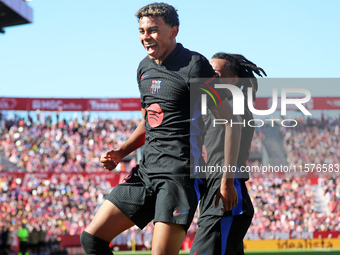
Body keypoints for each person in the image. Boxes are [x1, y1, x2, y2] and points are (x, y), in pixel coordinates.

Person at [80, 3, 239, 255]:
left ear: (173, 31)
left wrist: (227, 180)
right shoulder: (143, 67)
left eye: (153, 30)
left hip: (178, 177)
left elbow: (229, 121)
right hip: (145, 173)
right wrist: (122, 151)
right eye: (142, 31)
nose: (146, 37)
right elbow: (150, 118)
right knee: (91, 240)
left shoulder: (194, 65)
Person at [190, 53, 267, 255]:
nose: (209, 78)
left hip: (226, 194)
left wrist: (227, 182)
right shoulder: (214, 108)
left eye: (215, 74)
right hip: (217, 193)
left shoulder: (236, 109)